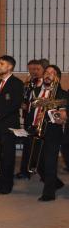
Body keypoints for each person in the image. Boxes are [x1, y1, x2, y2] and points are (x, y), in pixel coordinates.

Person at [0, 55, 23, 195]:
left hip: (8, 126)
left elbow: (15, 105)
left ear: (9, 67)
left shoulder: (17, 83)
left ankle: (7, 185)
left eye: (1, 64)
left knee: (8, 157)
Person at [32, 65, 67, 201]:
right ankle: (56, 183)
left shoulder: (62, 94)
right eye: (46, 72)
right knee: (37, 162)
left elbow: (62, 117)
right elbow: (30, 110)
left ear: (57, 77)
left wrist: (51, 115)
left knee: (50, 162)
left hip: (53, 131)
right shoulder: (36, 91)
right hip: (36, 130)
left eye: (52, 73)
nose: (48, 75)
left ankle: (49, 193)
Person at [16, 59, 45, 179]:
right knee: (28, 147)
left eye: (36, 69)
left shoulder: (44, 84)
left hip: (39, 120)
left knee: (37, 147)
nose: (33, 72)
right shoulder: (31, 82)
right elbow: (26, 98)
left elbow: (37, 102)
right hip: (29, 118)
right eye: (31, 69)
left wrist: (27, 104)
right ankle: (25, 170)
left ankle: (34, 169)